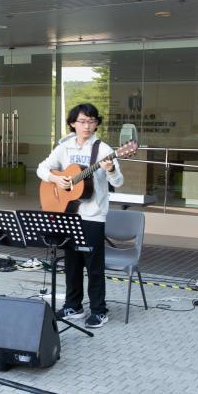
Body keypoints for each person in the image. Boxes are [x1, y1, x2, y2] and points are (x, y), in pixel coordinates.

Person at [37, 103, 124, 329]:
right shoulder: (64, 148)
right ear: (73, 123)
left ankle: (99, 310)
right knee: (72, 264)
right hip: (67, 213)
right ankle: (73, 305)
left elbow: (118, 182)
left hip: (93, 215)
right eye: (83, 121)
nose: (87, 126)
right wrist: (57, 180)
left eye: (92, 121)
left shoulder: (104, 149)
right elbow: (42, 169)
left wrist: (111, 170)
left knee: (93, 265)